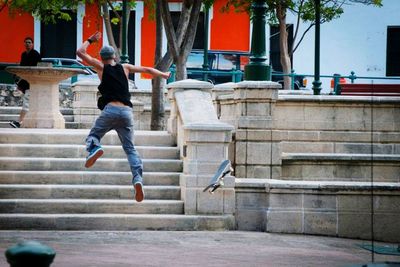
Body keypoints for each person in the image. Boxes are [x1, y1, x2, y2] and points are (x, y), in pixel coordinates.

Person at [76, 31, 170, 202]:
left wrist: (90, 40)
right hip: (126, 112)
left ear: (102, 57)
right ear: (114, 56)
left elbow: (80, 53)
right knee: (130, 149)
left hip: (110, 110)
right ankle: (137, 179)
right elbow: (147, 69)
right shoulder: (125, 68)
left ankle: (95, 148)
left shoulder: (100, 67)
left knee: (94, 135)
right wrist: (163, 75)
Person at [10, 37, 41, 128]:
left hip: (33, 82)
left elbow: (38, 68)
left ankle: (19, 122)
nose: (27, 44)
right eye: (26, 42)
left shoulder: (36, 54)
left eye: (29, 42)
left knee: (27, 103)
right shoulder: (23, 54)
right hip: (26, 82)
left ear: (32, 44)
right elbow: (22, 68)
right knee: (28, 103)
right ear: (24, 44)